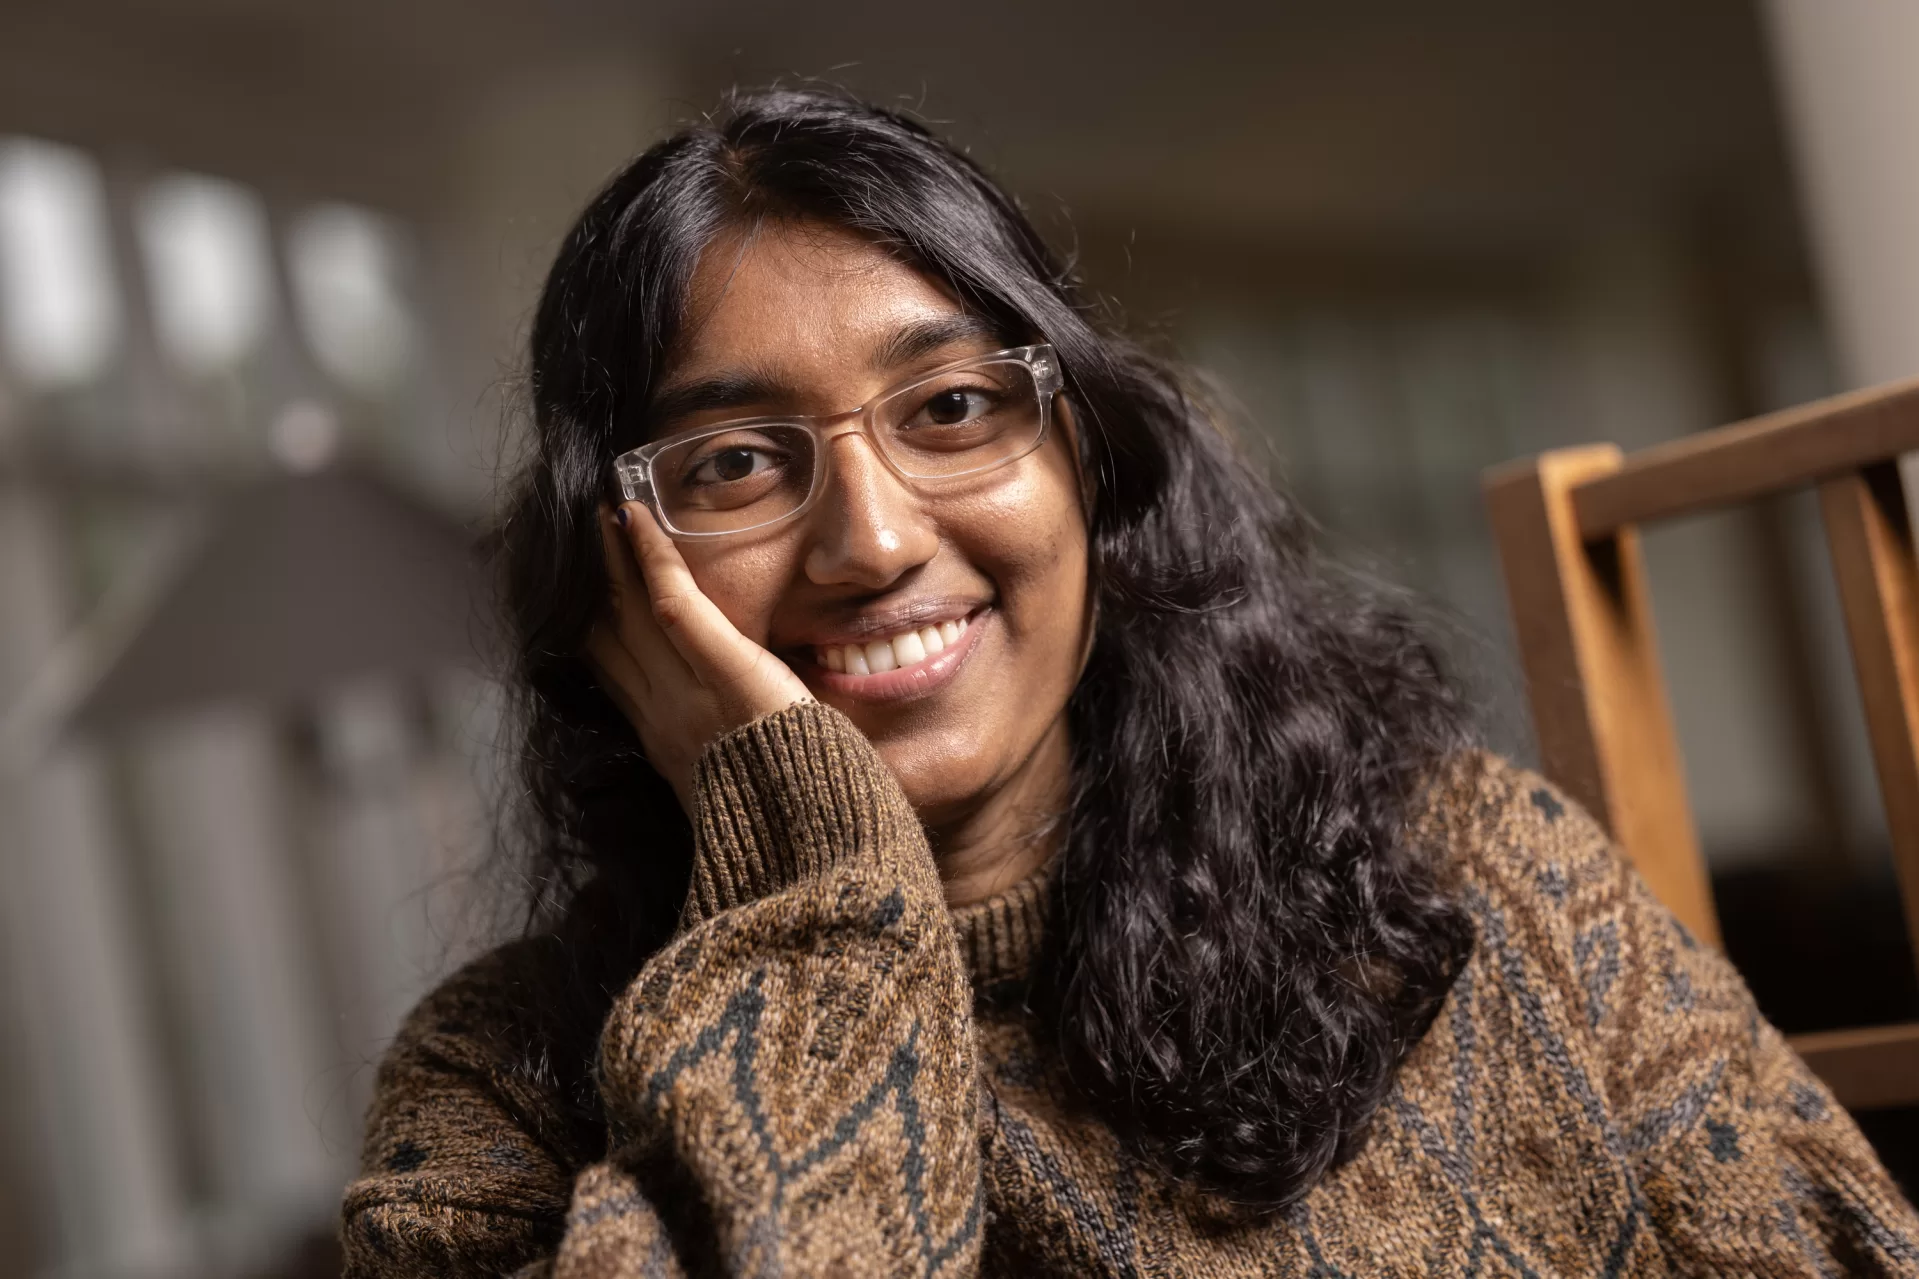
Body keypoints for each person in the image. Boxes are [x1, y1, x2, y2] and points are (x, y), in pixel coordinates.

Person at [339, 88, 1919, 1277]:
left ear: (1083, 459)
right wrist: (809, 892)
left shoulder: (1458, 867)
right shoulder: (496, 1094)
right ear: (607, 570)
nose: (872, 540)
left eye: (951, 407)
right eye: (737, 461)